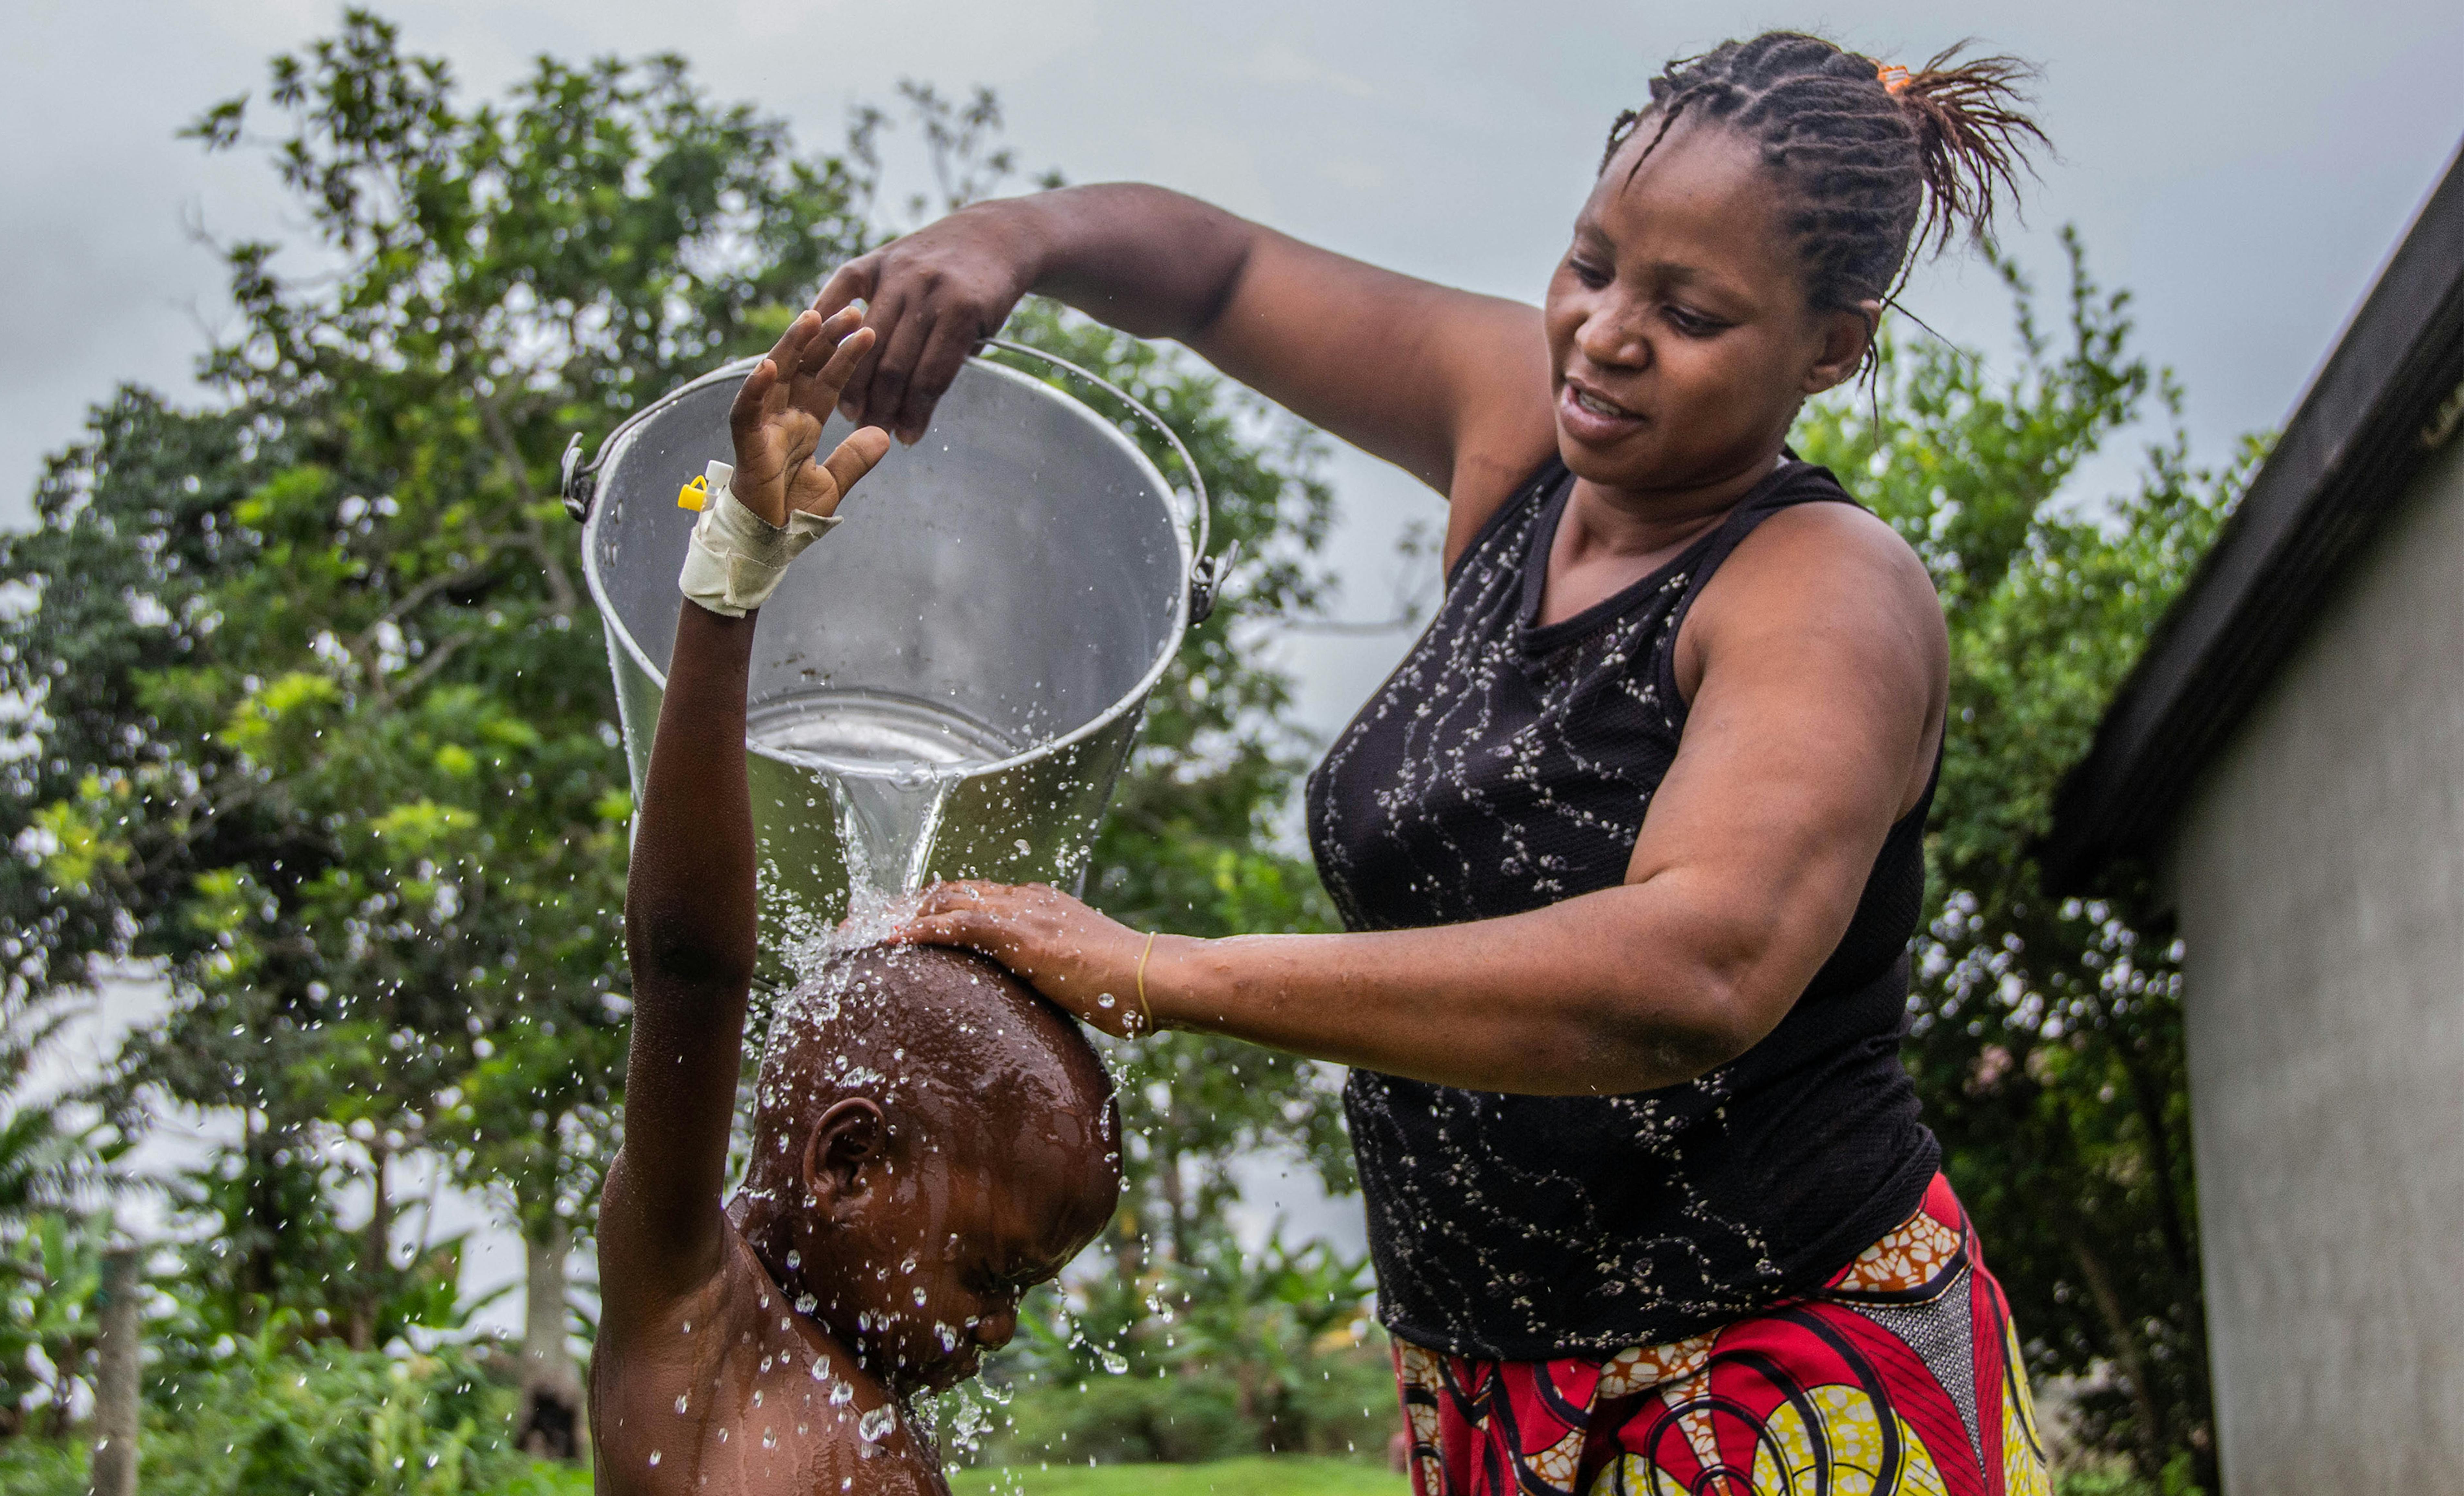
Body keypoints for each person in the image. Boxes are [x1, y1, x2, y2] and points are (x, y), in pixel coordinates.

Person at [837, 32, 2056, 1496]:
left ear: (1830, 348)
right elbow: (1218, 277)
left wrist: (1168, 975)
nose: (1602, 334)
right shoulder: (1522, 437)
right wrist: (1009, 239)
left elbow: (1696, 972)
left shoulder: (1818, 590)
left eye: (1688, 311)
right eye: (1590, 264)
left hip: (1776, 1382)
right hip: (1482, 1387)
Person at [588, 305, 1122, 1495]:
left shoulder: (877, 1409)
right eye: (990, 1278)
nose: (1001, 1334)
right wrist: (726, 586)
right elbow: (689, 972)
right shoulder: (691, 1314)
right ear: (846, 1162)